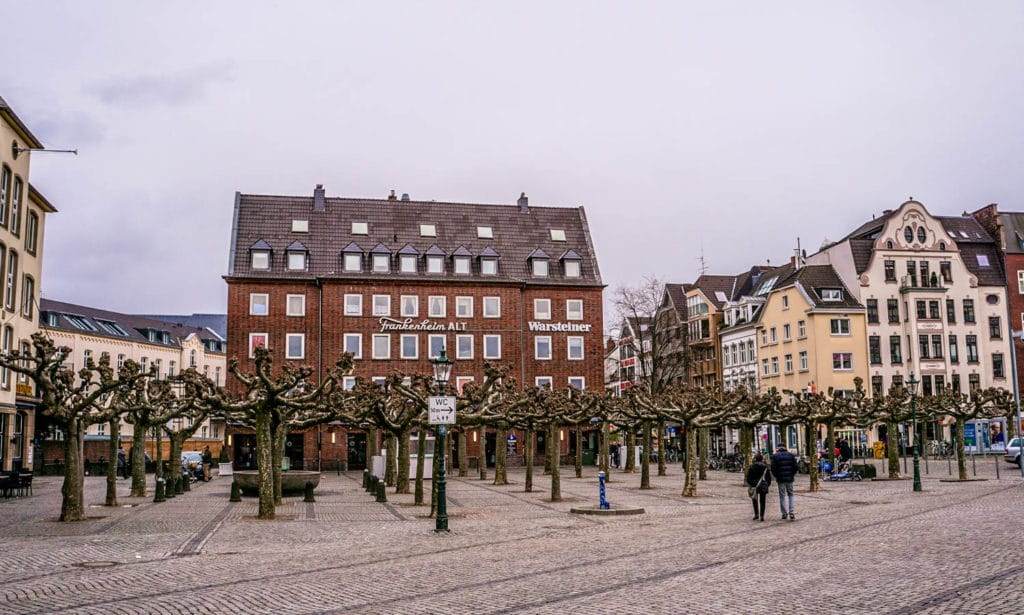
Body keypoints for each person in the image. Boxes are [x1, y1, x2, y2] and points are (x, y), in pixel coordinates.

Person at [771, 444, 798, 520]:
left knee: (782, 496)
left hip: (781, 479)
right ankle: (791, 511)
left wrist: (777, 476)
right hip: (789, 478)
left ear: (778, 448)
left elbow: (773, 468)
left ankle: (784, 513)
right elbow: (796, 467)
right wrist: (792, 474)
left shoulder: (775, 456)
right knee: (791, 494)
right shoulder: (791, 455)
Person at [745, 452, 771, 521]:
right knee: (763, 501)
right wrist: (767, 484)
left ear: (755, 459)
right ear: (761, 459)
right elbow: (768, 477)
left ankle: (756, 514)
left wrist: (751, 484)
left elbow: (748, 478)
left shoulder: (752, 466)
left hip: (754, 485)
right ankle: (762, 516)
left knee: (754, 500)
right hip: (762, 484)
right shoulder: (765, 467)